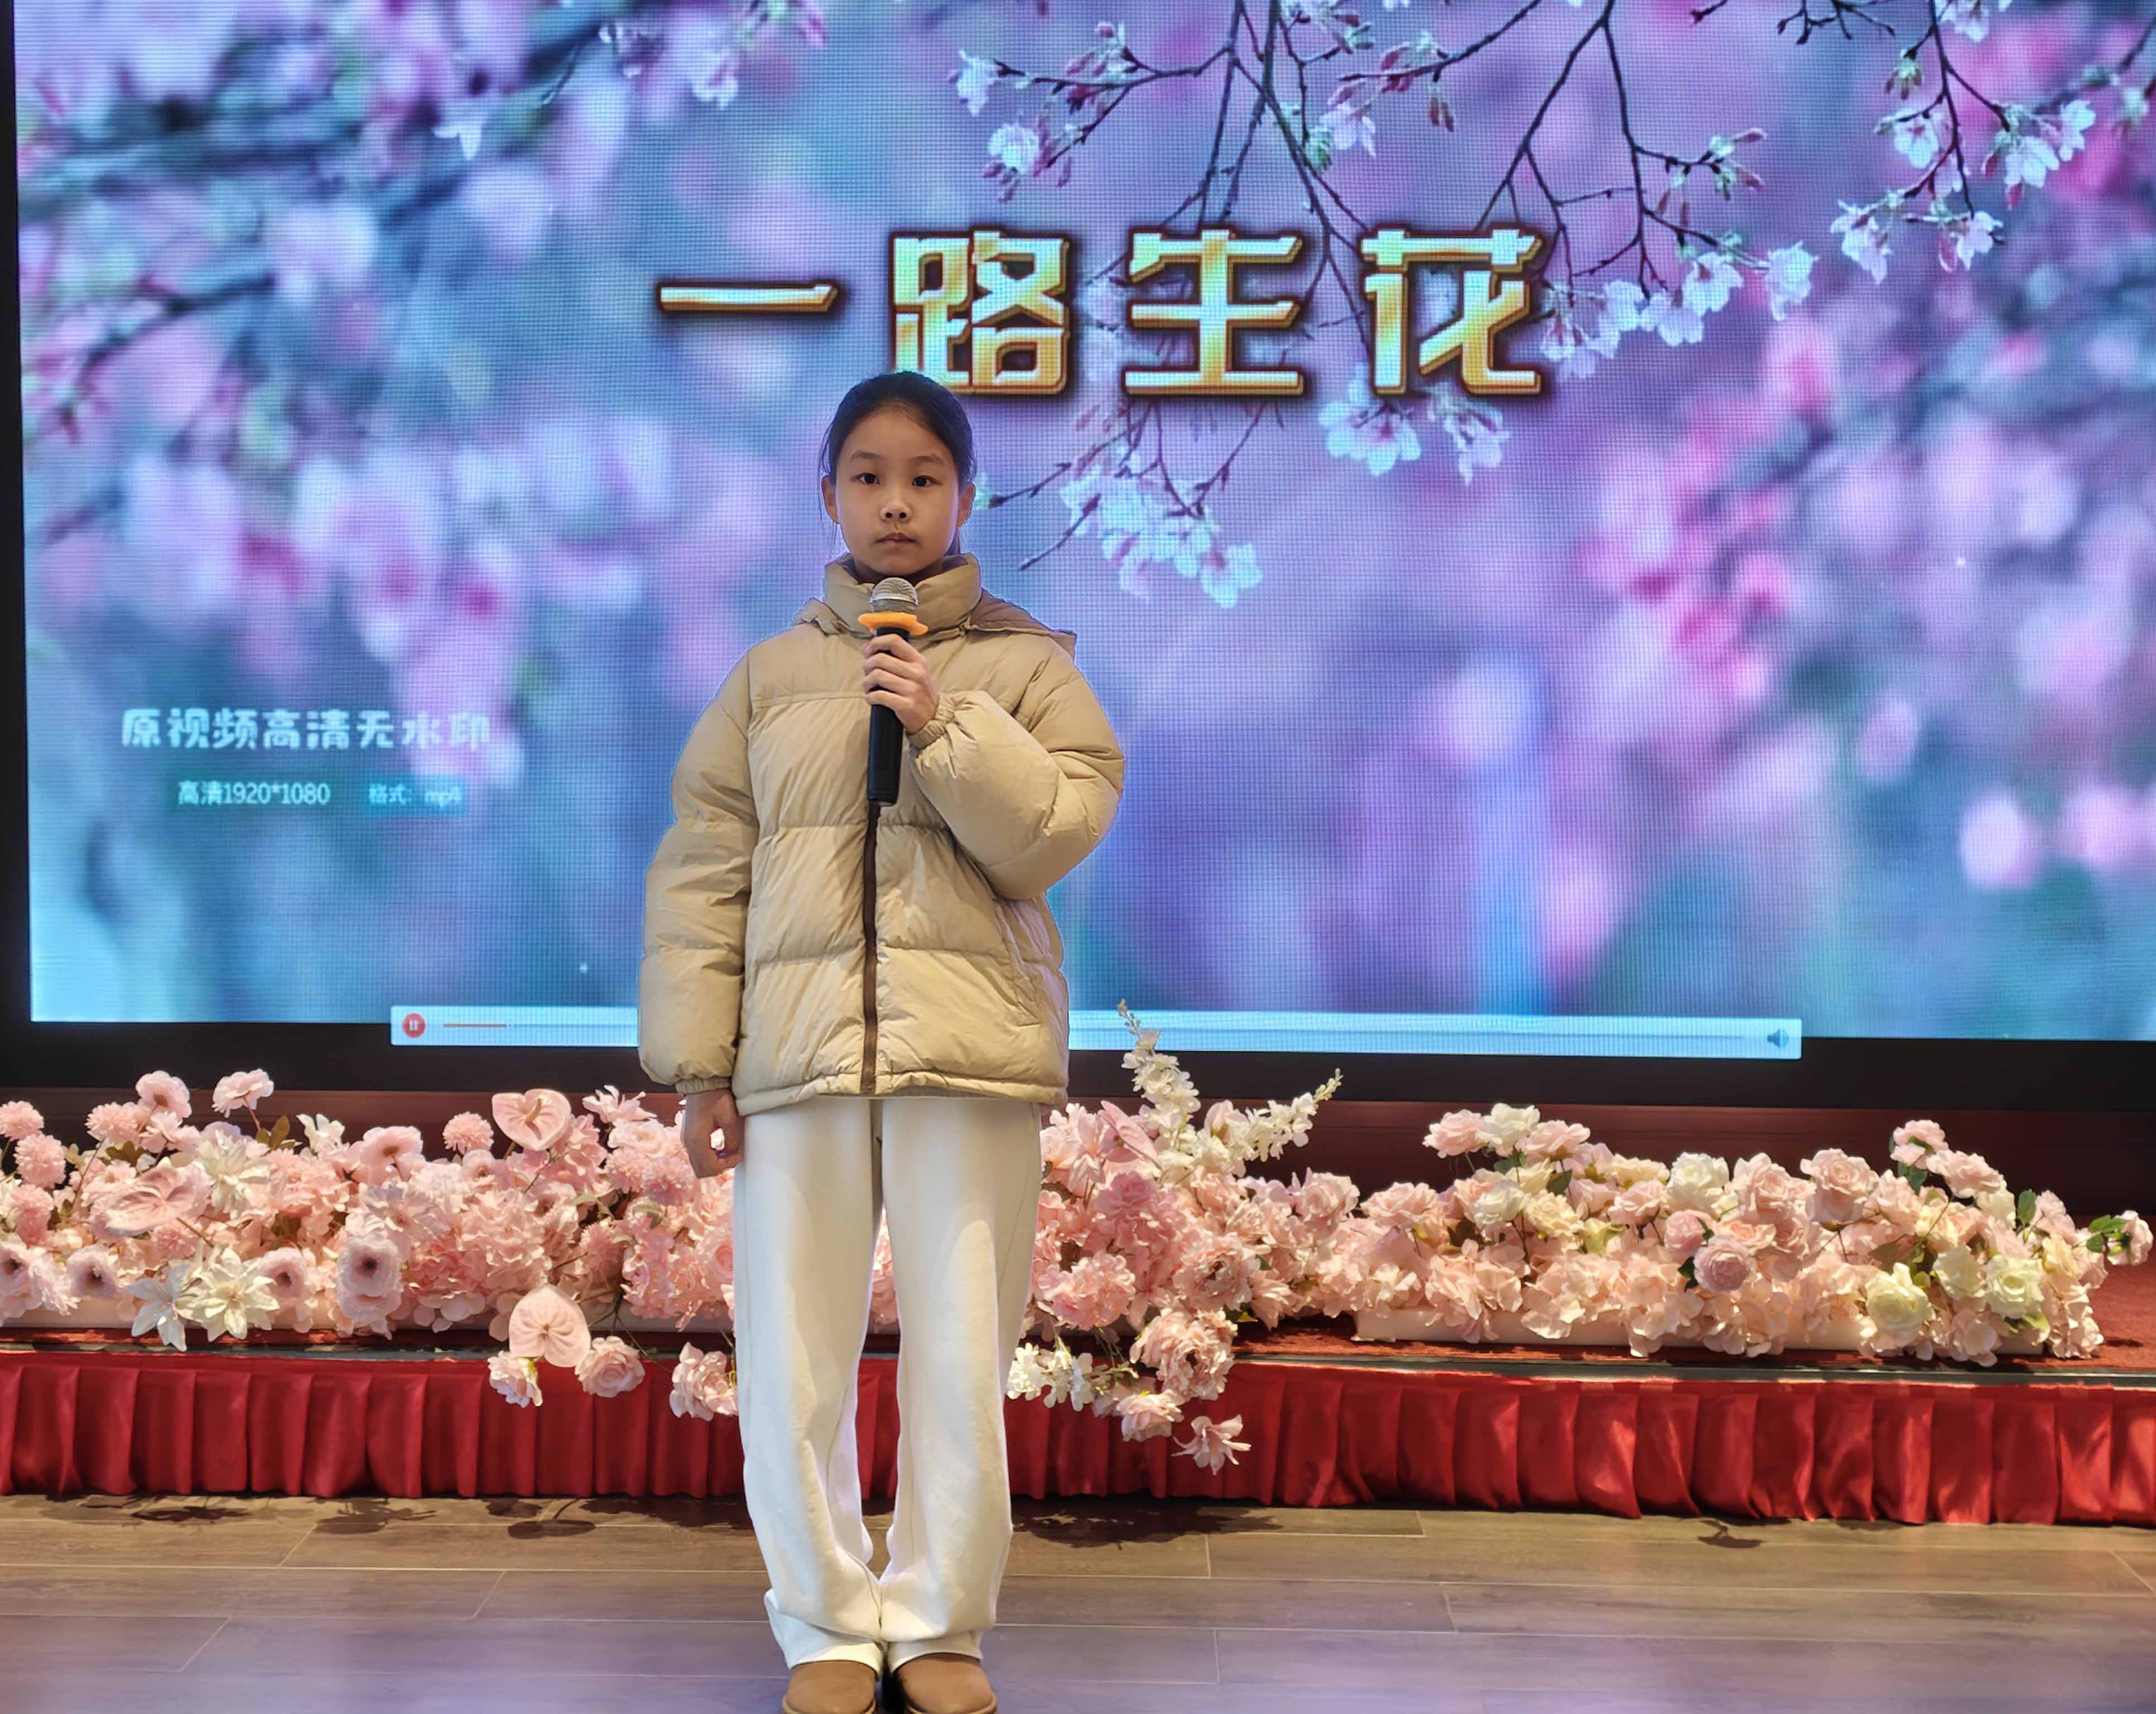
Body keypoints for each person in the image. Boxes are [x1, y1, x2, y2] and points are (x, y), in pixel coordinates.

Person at [639, 370, 1125, 1714]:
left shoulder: (1029, 667)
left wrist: (941, 721)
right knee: (793, 1359)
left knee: (959, 1356)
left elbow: (1051, 836)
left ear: (967, 496)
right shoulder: (769, 677)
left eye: (924, 477)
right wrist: (700, 1065)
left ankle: (939, 1622)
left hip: (967, 1055)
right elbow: (701, 878)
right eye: (869, 476)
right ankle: (825, 1625)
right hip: (794, 1059)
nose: (896, 503)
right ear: (828, 495)